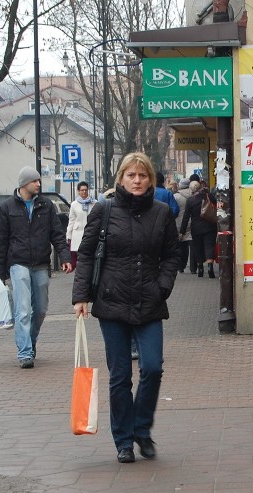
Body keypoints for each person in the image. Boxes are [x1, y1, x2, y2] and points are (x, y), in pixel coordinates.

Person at [72, 152, 180, 464]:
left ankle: (141, 429)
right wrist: (81, 297)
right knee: (120, 376)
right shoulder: (104, 210)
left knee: (152, 368)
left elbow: (173, 254)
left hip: (149, 301)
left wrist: (163, 286)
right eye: (131, 175)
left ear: (150, 180)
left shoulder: (161, 213)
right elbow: (87, 254)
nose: (136, 181)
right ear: (121, 178)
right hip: (112, 302)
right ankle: (124, 440)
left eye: (142, 176)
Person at [0, 166, 73, 369]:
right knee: (23, 309)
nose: (39, 184)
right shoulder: (7, 207)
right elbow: (0, 242)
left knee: (40, 310)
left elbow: (57, 233)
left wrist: (65, 256)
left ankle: (30, 340)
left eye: (39, 180)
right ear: (23, 184)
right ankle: (25, 352)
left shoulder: (46, 205)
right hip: (18, 263)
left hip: (40, 264)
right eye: (35, 181)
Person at [180, 179, 218, 278]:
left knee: (198, 247)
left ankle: (200, 268)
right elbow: (216, 205)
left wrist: (182, 231)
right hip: (210, 226)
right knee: (209, 246)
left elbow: (186, 217)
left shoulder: (190, 200)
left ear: (191, 190)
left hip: (196, 228)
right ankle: (210, 268)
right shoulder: (208, 196)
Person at [66, 181, 95, 269]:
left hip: (90, 233)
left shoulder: (94, 203)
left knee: (89, 255)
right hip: (77, 233)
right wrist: (69, 235)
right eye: (82, 190)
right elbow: (71, 220)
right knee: (79, 256)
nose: (84, 192)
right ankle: (80, 271)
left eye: (86, 190)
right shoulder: (74, 204)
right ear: (78, 191)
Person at [173, 178, 191, 273]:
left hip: (178, 223)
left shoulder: (175, 196)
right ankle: (186, 265)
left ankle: (179, 266)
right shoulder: (193, 194)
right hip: (190, 223)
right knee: (186, 245)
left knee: (179, 245)